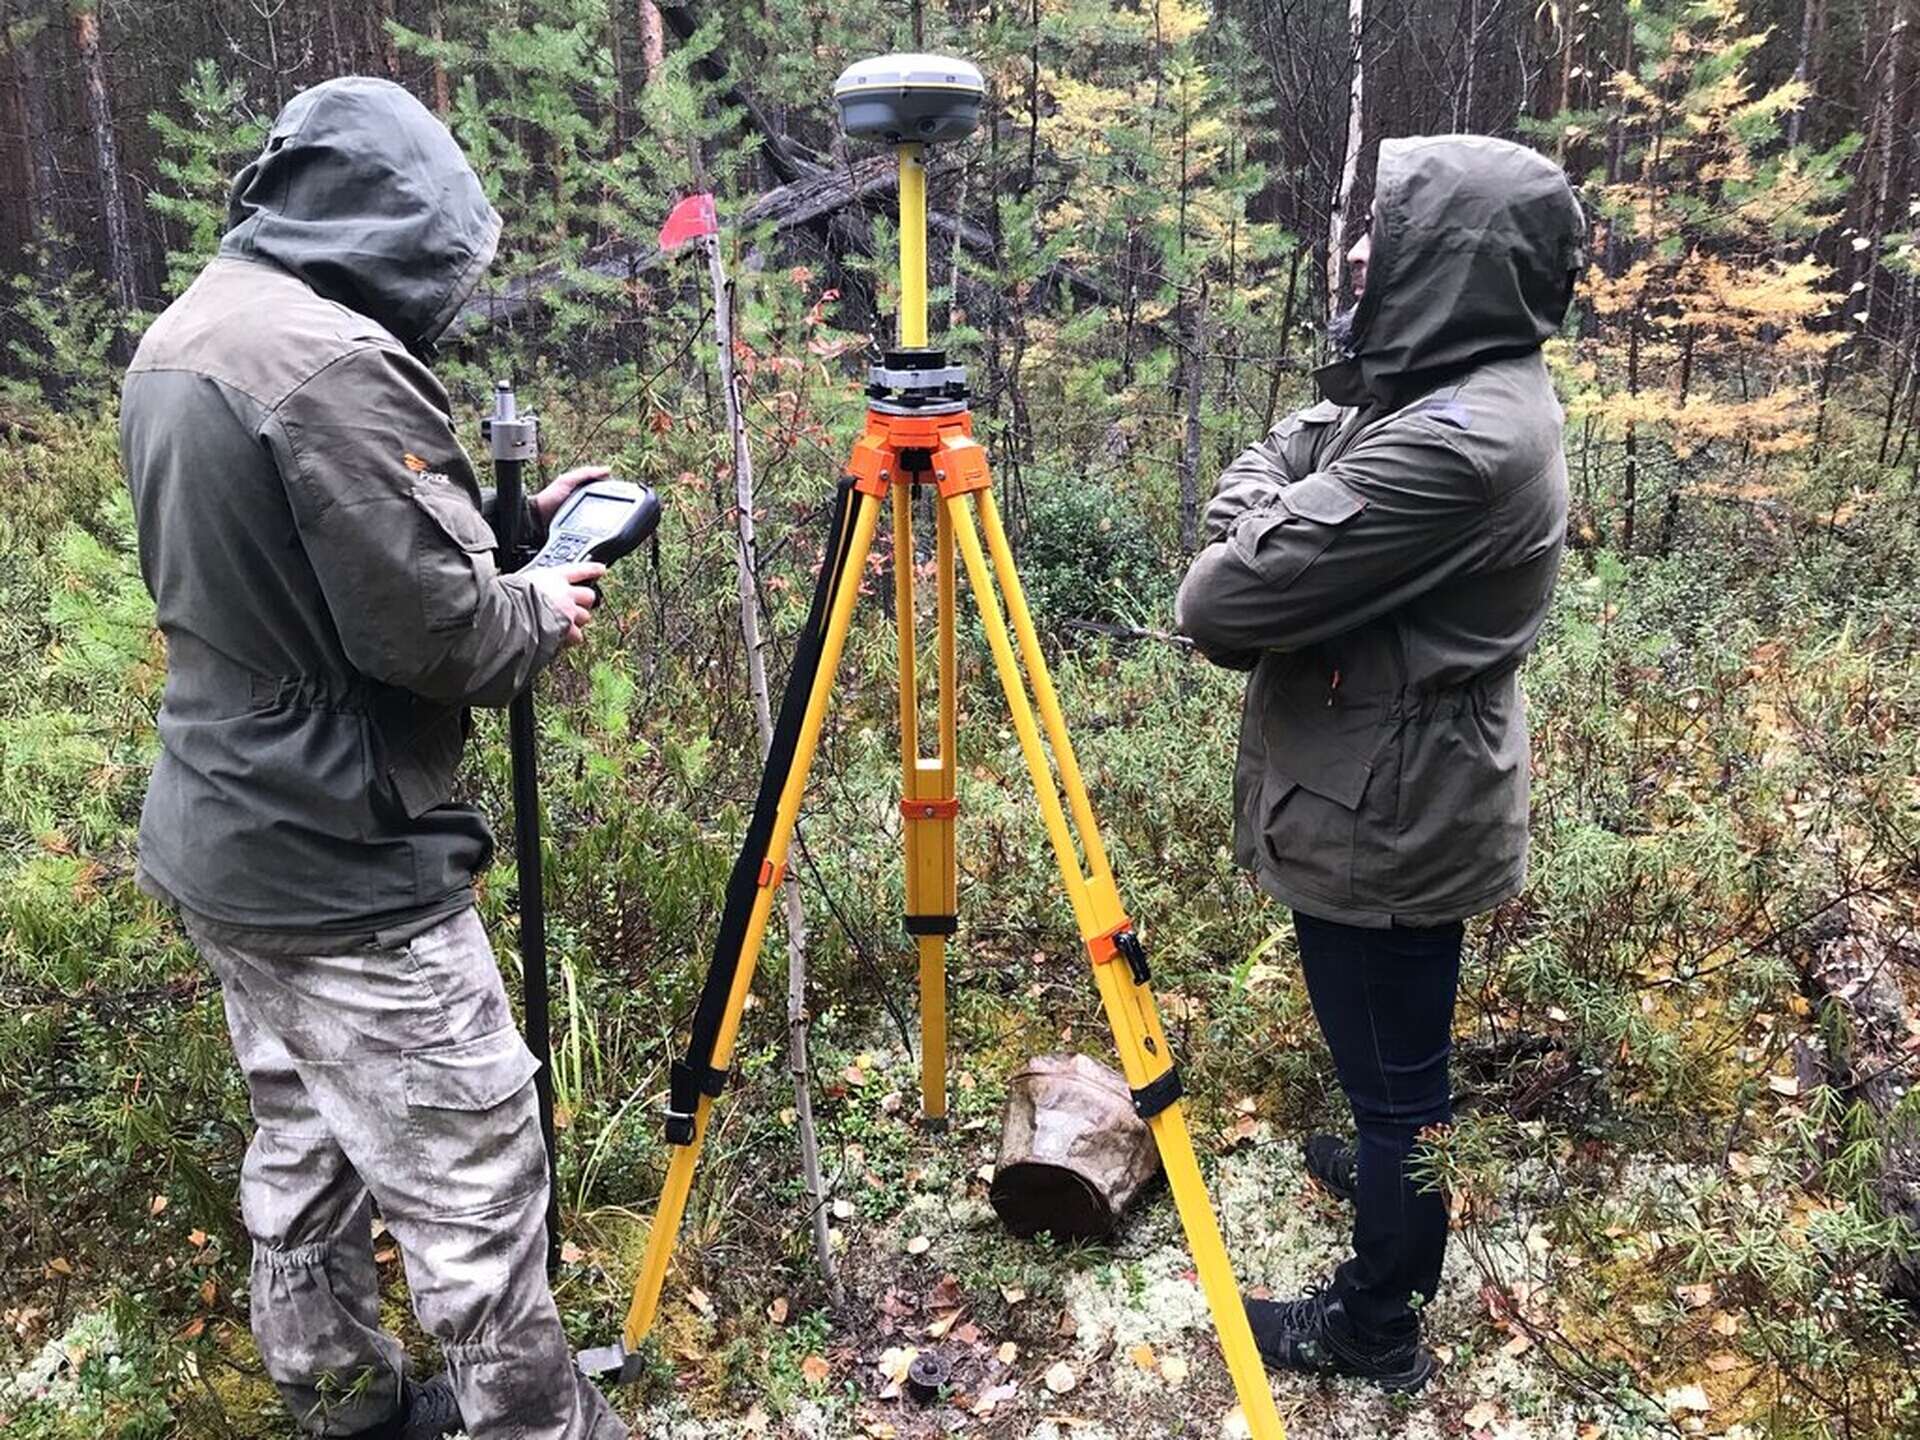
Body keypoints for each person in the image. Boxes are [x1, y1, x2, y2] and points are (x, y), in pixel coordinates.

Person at [120, 77, 627, 1440]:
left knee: (305, 1131)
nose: (453, 291)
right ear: (394, 226)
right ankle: (535, 1424)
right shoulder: (333, 362)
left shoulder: (195, 329)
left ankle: (335, 1395)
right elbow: (446, 639)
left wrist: (494, 523)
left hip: (226, 824)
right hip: (346, 855)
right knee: (471, 1164)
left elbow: (297, 567)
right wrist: (537, 600)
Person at [1175, 135, 1586, 1390]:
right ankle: (1382, 1146)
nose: (1352, 264)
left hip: (1388, 812)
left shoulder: (1455, 441)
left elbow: (1219, 603)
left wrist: (1273, 510)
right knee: (1389, 1058)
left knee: (1402, 1085)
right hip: (1394, 785)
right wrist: (1290, 490)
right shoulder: (1447, 380)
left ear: (1449, 265)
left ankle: (1376, 1327)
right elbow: (1296, 452)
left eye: (1380, 244)